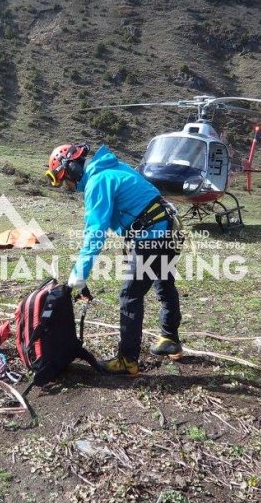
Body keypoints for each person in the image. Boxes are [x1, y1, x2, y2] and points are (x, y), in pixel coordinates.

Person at [45, 142, 183, 375]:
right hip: (168, 228)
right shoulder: (112, 168)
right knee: (164, 283)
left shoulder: (98, 182)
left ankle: (128, 360)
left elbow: (95, 232)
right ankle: (170, 338)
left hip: (152, 234)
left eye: (64, 178)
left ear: (72, 169)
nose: (68, 185)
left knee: (130, 295)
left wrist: (79, 273)